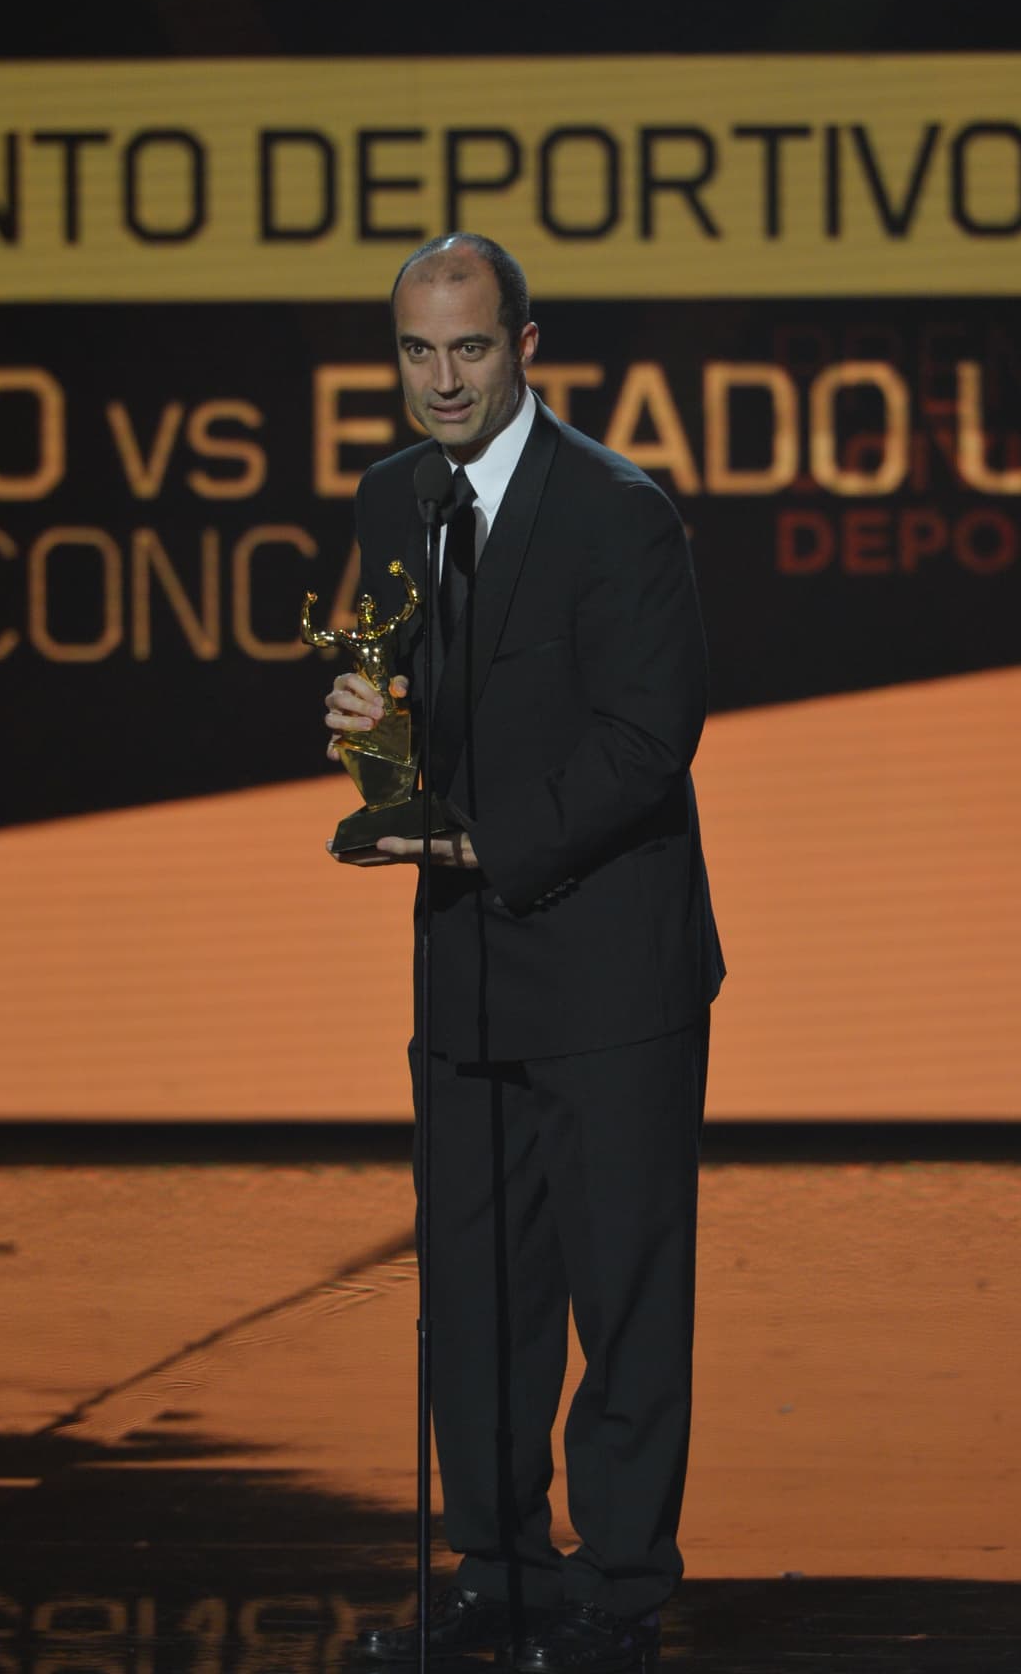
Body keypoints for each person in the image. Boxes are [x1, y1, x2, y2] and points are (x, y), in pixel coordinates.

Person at [323, 233, 723, 1673]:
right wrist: (370, 733)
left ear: (525, 347)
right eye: (418, 351)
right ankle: (497, 1570)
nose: (443, 379)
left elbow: (647, 737)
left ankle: (619, 1593)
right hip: (466, 970)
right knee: (476, 1292)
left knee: (622, 1293)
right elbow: (413, 714)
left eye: (470, 348)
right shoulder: (392, 500)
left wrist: (487, 843)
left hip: (611, 969)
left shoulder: (618, 512)